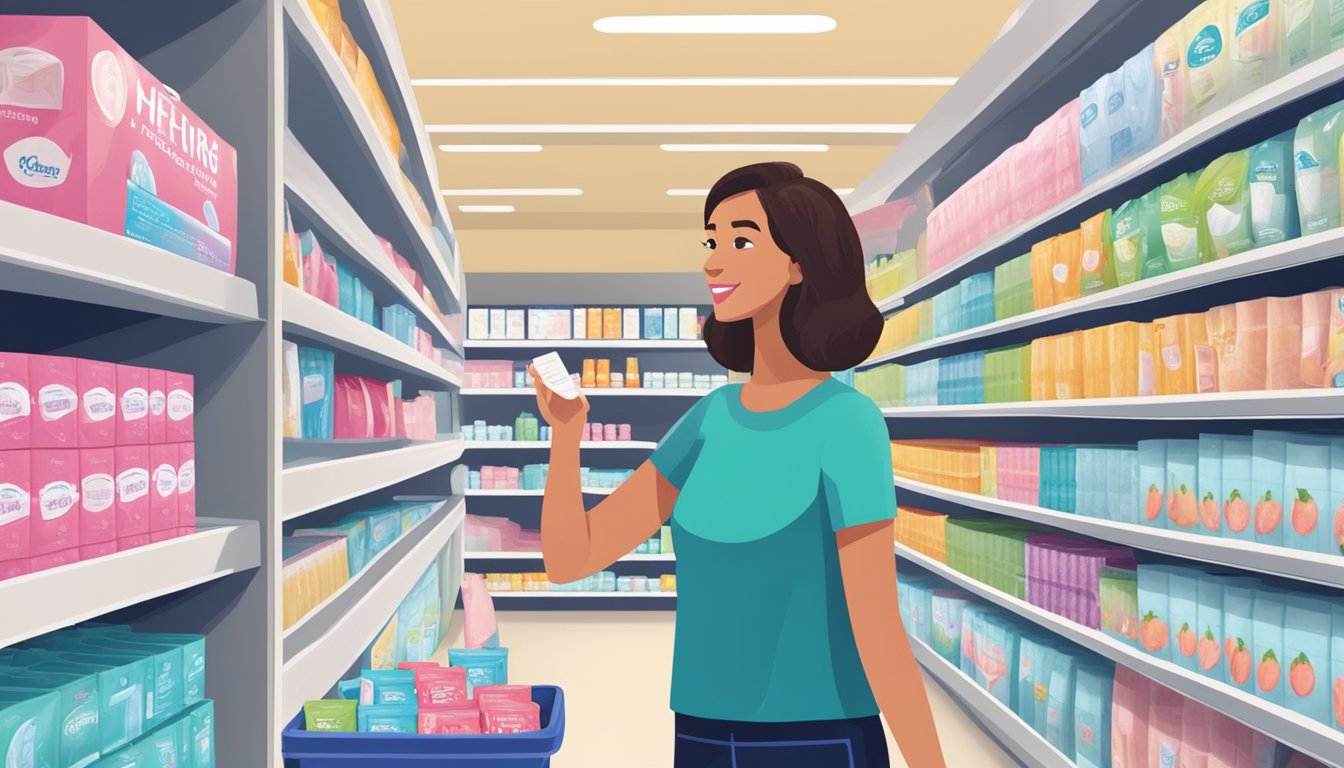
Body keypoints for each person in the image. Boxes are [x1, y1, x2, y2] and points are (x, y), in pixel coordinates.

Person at [531, 162, 947, 768]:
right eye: (712, 241)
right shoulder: (708, 421)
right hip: (701, 733)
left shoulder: (848, 424)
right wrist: (566, 438)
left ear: (798, 263)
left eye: (741, 241)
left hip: (819, 739)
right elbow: (572, 559)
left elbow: (878, 628)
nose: (713, 262)